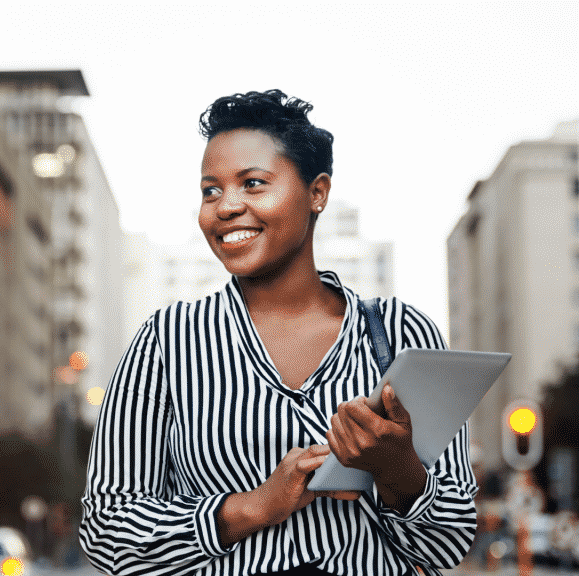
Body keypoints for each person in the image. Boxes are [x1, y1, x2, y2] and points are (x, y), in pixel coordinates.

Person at [79, 90, 477, 576]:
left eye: (252, 183)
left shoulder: (400, 334)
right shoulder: (166, 343)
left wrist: (399, 473)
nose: (224, 207)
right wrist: (252, 508)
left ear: (317, 193)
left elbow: (449, 544)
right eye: (210, 190)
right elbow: (106, 531)